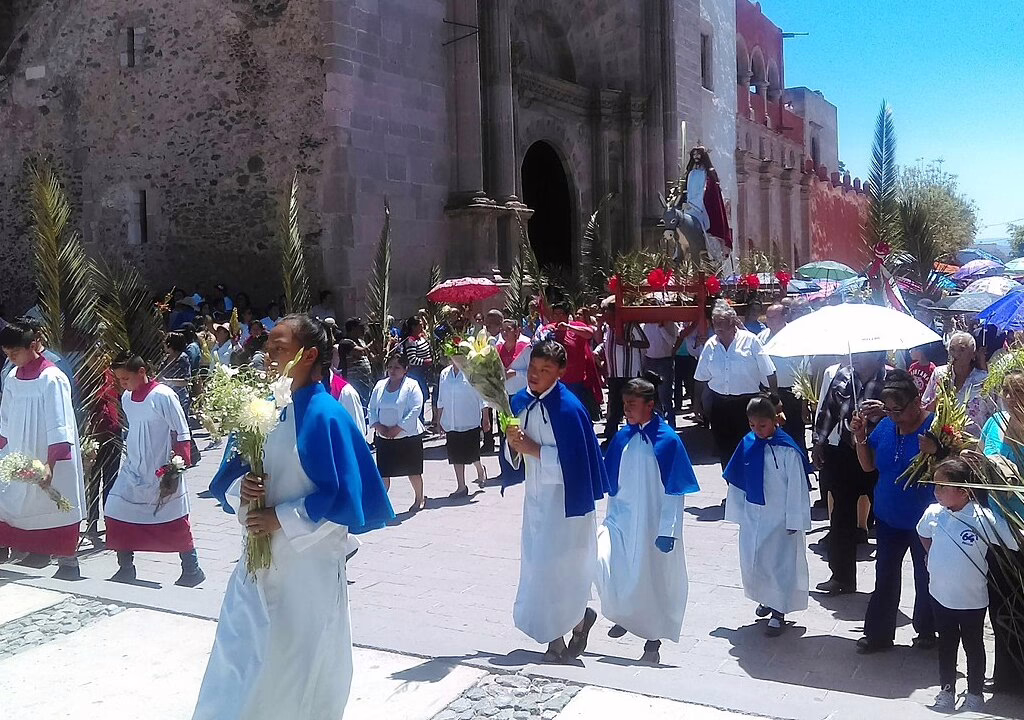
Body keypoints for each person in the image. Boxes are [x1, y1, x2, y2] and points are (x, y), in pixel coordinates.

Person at [194, 314, 393, 720]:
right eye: (267, 347)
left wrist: (280, 519)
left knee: (294, 659)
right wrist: (243, 492)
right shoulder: (260, 408)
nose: (268, 355)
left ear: (310, 355)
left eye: (279, 348)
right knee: (239, 652)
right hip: (256, 563)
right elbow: (232, 474)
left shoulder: (326, 415)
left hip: (306, 569)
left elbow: (342, 500)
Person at [504, 341, 610, 663]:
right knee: (538, 565)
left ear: (560, 373)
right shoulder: (521, 402)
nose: (535, 375)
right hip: (536, 501)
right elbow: (515, 454)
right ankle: (564, 630)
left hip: (566, 503)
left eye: (545, 370)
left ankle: (565, 631)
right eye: (533, 368)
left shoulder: (570, 409)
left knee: (561, 567)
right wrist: (512, 444)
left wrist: (534, 449)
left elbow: (576, 463)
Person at [596, 375, 699, 663]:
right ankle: (623, 614)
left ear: (649, 405)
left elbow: (675, 490)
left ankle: (652, 642)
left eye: (632, 404)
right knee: (602, 559)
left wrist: (668, 529)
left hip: (654, 523)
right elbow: (611, 478)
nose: (626, 409)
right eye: (624, 404)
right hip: (620, 520)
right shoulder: (622, 437)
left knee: (651, 579)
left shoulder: (668, 441)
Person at [918, 458, 1016, 712]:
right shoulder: (933, 513)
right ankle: (946, 690)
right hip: (940, 594)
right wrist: (932, 555)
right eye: (935, 485)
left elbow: (1014, 541)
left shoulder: (983, 518)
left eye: (943, 487)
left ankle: (974, 693)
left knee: (973, 645)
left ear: (964, 491)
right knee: (946, 644)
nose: (936, 492)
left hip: (972, 599)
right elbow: (923, 533)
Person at [851, 369, 936, 654]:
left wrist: (937, 452)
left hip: (924, 521)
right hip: (888, 517)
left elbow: (952, 472)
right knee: (885, 575)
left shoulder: (936, 427)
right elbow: (867, 466)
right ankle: (878, 634)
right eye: (888, 410)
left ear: (916, 402)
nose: (893, 416)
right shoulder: (887, 426)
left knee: (926, 576)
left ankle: (927, 631)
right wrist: (860, 437)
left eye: (898, 410)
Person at [105, 353, 205, 586]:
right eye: (119, 379)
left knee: (175, 519)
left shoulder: (163, 395)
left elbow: (181, 432)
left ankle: (192, 569)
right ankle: (125, 568)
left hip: (162, 470)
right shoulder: (127, 398)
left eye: (125, 378)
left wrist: (176, 469)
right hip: (133, 470)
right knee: (116, 510)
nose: (122, 384)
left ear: (141, 372)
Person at [0, 321, 85, 579]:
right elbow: (5, 419)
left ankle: (68, 563)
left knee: (55, 504)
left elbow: (60, 423)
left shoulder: (53, 378)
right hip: (18, 454)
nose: (11, 359)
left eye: (15, 353)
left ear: (32, 346)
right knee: (9, 502)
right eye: (7, 354)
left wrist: (51, 463)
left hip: (48, 453)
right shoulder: (12, 378)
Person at [724, 394, 811, 636]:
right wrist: (737, 511)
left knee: (778, 564)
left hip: (779, 518)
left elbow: (796, 486)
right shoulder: (748, 443)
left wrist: (795, 518)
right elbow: (738, 480)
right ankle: (765, 598)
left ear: (775, 421)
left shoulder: (787, 450)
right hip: (754, 514)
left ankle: (779, 610)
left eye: (762, 425)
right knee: (756, 560)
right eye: (752, 425)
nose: (757, 430)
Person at [812, 351, 887, 594]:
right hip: (846, 453)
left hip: (880, 457)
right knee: (841, 516)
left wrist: (885, 411)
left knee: (885, 519)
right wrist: (819, 442)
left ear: (878, 355)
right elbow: (828, 411)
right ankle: (841, 577)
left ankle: (885, 586)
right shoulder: (843, 377)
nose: (858, 357)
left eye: (865, 353)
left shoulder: (891, 379)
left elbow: (907, 413)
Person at [978, 370, 1024, 695]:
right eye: (1006, 392)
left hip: (1022, 529)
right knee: (1002, 605)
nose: (1009, 399)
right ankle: (1007, 676)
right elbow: (982, 456)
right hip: (998, 530)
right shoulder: (994, 422)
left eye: (1017, 392)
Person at [694, 300, 778, 471]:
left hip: (746, 406)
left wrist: (775, 400)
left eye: (721, 323)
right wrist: (697, 403)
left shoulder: (751, 341)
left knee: (749, 447)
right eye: (715, 323)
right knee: (724, 449)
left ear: (732, 322)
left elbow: (769, 371)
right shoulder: (711, 345)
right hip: (720, 405)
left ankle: (750, 482)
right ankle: (731, 483)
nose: (717, 327)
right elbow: (700, 377)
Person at [368, 353, 426, 513]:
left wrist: (398, 428)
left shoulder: (412, 385)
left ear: (405, 369)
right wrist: (377, 425)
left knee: (413, 472)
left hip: (408, 437)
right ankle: (379, 504)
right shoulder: (380, 385)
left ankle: (419, 498)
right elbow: (372, 408)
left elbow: (416, 409)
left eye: (397, 367)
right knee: (383, 474)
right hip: (384, 437)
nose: (392, 371)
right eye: (390, 367)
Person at [535, 302, 601, 420]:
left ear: (567, 315)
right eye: (556, 314)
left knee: (579, 414)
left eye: (561, 314)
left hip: (576, 381)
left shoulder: (576, 326)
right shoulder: (549, 329)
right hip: (555, 381)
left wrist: (569, 327)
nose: (558, 317)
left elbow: (589, 333)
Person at [758, 303, 807, 458]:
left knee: (795, 432)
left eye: (773, 317)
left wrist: (805, 402)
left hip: (791, 392)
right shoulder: (762, 337)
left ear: (785, 316)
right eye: (767, 318)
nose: (769, 321)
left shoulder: (796, 336)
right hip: (768, 392)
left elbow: (805, 368)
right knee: (770, 431)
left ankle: (800, 463)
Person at [922, 331, 992, 438]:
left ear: (973, 354)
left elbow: (993, 413)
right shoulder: (939, 374)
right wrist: (938, 399)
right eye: (952, 349)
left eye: (962, 350)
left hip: (972, 441)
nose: (956, 354)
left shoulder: (983, 380)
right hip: (940, 438)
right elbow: (925, 407)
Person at [436, 357, 488, 495]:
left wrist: (486, 418)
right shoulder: (444, 374)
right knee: (455, 455)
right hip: (451, 422)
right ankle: (461, 486)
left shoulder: (473, 372)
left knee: (472, 454)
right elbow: (440, 398)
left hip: (469, 421)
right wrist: (439, 420)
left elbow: (483, 398)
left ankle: (480, 470)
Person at [599, 298, 649, 442]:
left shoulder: (630, 326)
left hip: (630, 374)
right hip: (614, 373)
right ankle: (611, 438)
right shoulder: (608, 328)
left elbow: (645, 343)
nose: (604, 316)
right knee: (614, 407)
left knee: (632, 406)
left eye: (607, 313)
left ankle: (635, 436)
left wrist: (627, 343)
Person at [642, 318, 681, 428]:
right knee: (652, 395)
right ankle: (657, 423)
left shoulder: (670, 323)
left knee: (665, 395)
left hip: (664, 361)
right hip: (649, 361)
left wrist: (661, 328)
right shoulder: (645, 325)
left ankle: (671, 423)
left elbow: (672, 341)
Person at [399, 315, 433, 424]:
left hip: (423, 372)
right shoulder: (410, 341)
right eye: (420, 325)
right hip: (416, 373)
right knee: (420, 396)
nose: (422, 326)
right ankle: (418, 420)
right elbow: (412, 359)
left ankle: (420, 419)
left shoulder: (421, 338)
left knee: (424, 395)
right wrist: (426, 362)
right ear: (413, 327)